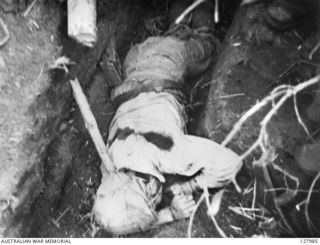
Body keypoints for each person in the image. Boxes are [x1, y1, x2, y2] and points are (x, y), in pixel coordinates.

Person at [93, 0, 242, 235]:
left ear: (147, 187)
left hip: (170, 61)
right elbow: (122, 218)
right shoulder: (110, 165)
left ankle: (201, 23)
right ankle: (178, 26)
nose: (156, 203)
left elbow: (231, 163)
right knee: (176, 35)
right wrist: (170, 214)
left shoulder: (168, 152)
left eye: (152, 202)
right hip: (136, 59)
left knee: (208, 44)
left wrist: (189, 186)